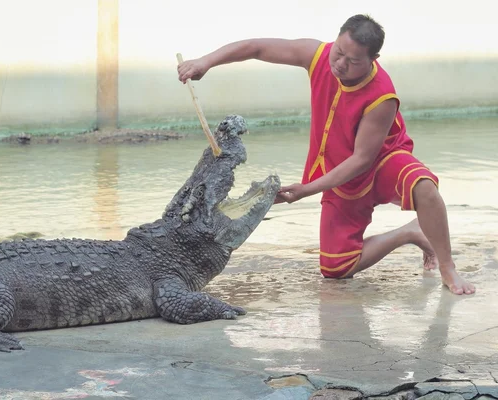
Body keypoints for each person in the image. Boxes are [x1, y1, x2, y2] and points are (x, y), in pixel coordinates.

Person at [177, 14, 475, 295]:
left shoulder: (382, 96)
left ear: (374, 60)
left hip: (383, 160)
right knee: (336, 268)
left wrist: (306, 189)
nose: (341, 64)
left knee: (423, 186)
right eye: (339, 52)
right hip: (338, 169)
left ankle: (448, 268)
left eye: (353, 60)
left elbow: (362, 160)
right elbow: (257, 47)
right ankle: (409, 233)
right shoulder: (318, 55)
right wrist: (206, 61)